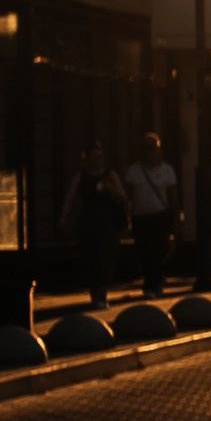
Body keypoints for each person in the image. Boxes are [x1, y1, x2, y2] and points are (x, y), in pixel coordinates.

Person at [59, 141, 130, 313]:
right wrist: (63, 219)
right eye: (94, 156)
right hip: (88, 221)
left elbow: (122, 195)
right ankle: (94, 292)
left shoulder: (109, 174)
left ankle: (102, 293)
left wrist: (109, 189)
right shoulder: (81, 176)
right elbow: (69, 198)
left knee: (105, 258)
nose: (98, 160)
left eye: (100, 156)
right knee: (90, 258)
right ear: (87, 158)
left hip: (107, 222)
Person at [122, 131, 181, 299]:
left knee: (158, 250)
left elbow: (173, 196)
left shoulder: (167, 171)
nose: (151, 152)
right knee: (144, 250)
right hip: (141, 217)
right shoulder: (134, 171)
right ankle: (151, 282)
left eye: (153, 148)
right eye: (147, 148)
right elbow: (129, 196)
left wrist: (177, 219)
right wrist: (127, 217)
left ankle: (155, 282)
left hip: (160, 216)